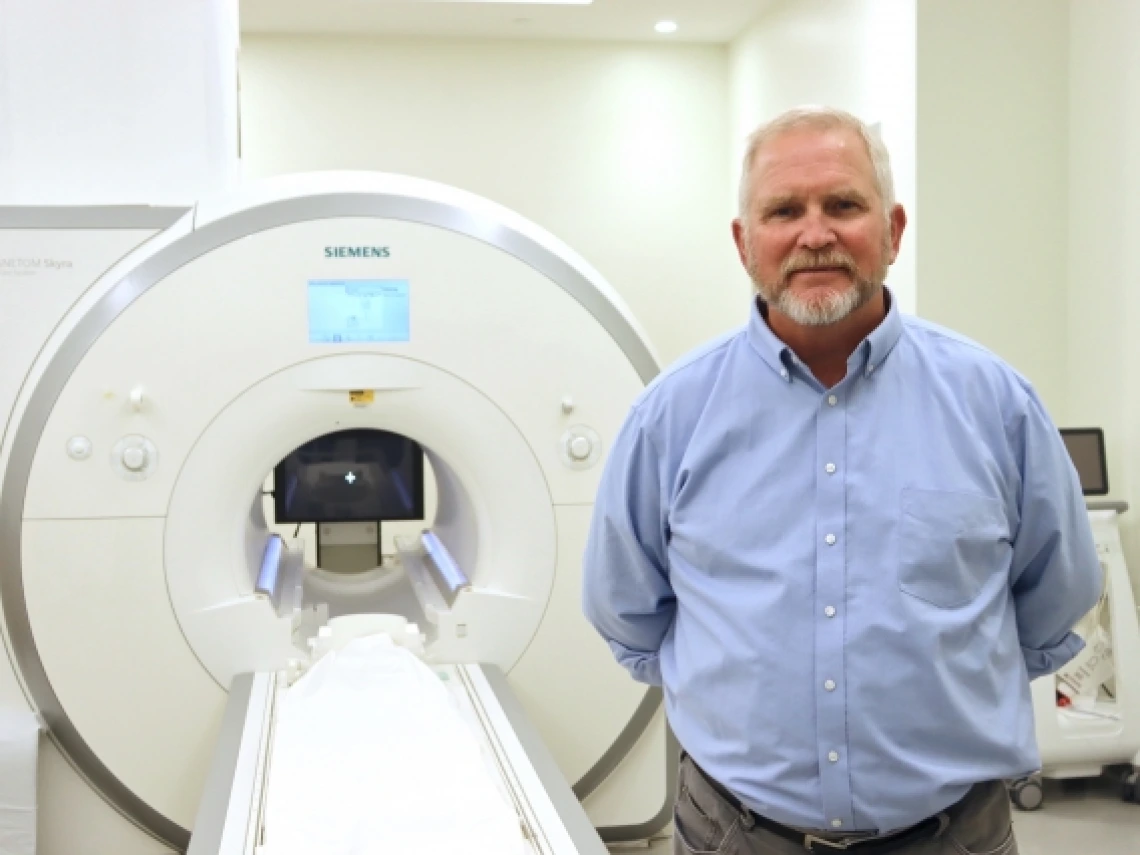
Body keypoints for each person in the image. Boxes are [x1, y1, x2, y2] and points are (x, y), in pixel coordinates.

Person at [582, 106, 1102, 855]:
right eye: (785, 210)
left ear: (892, 229)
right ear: (743, 241)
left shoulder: (996, 405)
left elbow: (1053, 604)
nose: (815, 232)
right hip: (738, 834)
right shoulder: (672, 418)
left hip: (952, 836)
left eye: (844, 205)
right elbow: (626, 610)